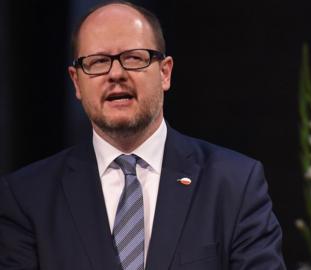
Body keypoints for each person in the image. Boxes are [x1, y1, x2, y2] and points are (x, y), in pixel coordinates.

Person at [0, 1, 286, 270]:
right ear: (77, 81)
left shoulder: (234, 184)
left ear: (165, 73)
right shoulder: (27, 198)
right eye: (98, 62)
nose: (115, 74)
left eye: (133, 58)